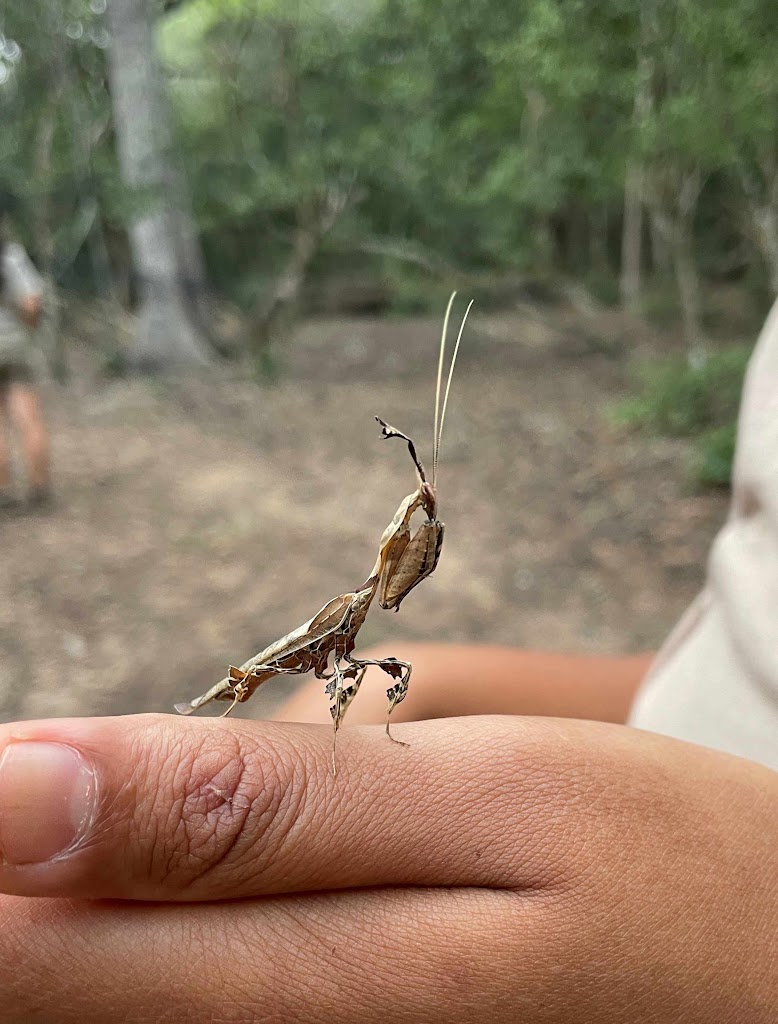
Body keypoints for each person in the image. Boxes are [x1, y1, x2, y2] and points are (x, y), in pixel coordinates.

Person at [0, 303, 776, 1022]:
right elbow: (727, 652)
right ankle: (231, 702)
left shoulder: (390, 569)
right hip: (295, 657)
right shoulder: (369, 585)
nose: (428, 528)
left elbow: (400, 573)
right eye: (423, 517)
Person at [0, 192, 51, 511]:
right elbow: (32, 302)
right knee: (27, 417)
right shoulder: (10, 256)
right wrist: (28, 326)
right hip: (14, 345)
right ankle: (38, 487)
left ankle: (2, 491)